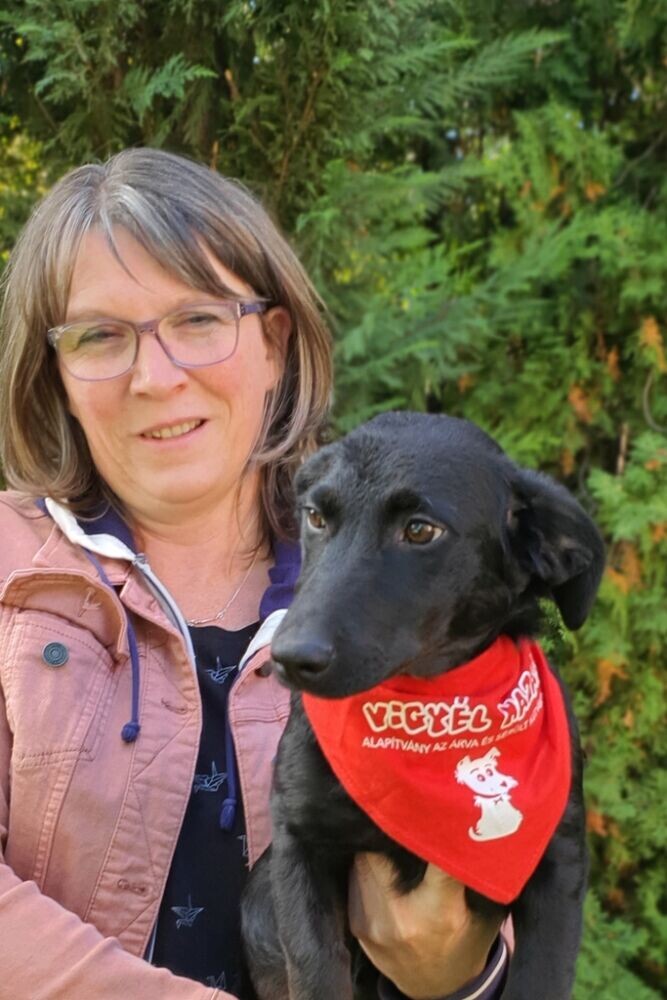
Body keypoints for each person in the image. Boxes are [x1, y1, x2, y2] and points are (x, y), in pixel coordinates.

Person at [0, 148, 506, 999]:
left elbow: (482, 874)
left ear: (274, 345)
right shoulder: (12, 567)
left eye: (198, 320)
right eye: (99, 336)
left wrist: (459, 974)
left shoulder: (406, 582)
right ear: (56, 374)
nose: (155, 377)